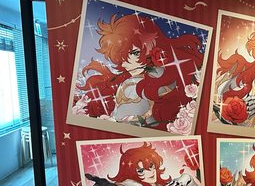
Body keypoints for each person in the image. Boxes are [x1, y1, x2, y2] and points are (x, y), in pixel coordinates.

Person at [75, 13, 204, 131]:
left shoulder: (138, 82)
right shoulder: (132, 81)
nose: (126, 63)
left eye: (135, 53)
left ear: (154, 44)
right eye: (121, 58)